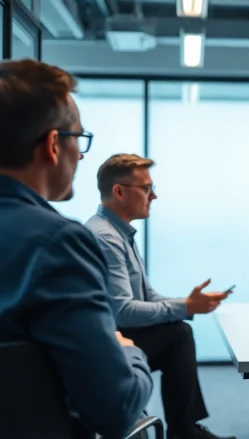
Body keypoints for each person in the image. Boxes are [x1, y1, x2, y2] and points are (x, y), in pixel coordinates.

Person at [0, 59, 152, 438]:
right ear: (53, 145)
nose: (81, 156)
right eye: (78, 140)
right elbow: (113, 410)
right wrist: (128, 351)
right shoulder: (57, 243)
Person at [84, 154, 234, 439]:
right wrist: (186, 306)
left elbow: (147, 294)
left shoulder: (119, 232)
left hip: (116, 334)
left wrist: (188, 304)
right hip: (110, 343)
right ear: (119, 191)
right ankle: (184, 430)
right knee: (178, 335)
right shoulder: (106, 238)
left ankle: (183, 429)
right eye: (146, 188)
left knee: (178, 332)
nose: (154, 195)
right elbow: (122, 311)